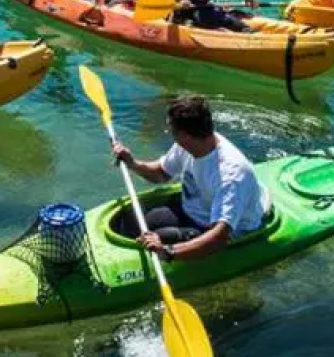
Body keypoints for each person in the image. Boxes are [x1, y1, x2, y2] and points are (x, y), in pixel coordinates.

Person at [109, 96, 270, 264]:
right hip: (193, 211)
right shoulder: (187, 144)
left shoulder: (231, 174)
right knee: (137, 220)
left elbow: (219, 237)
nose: (168, 132)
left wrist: (168, 252)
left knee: (158, 237)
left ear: (184, 135)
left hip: (220, 230)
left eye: (171, 129)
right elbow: (160, 173)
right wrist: (132, 163)